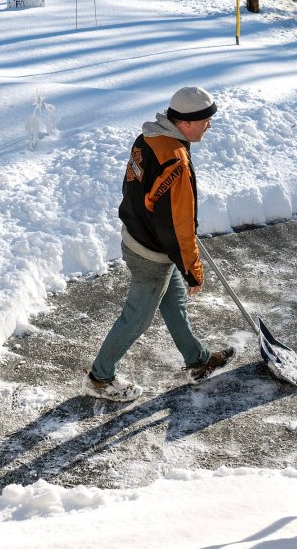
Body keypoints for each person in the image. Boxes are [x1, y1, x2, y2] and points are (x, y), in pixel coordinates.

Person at [84, 86, 235, 401]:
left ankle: (198, 361)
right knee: (136, 318)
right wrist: (192, 269)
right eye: (205, 120)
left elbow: (138, 191)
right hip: (151, 254)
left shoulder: (149, 138)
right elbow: (179, 226)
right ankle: (100, 377)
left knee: (174, 302)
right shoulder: (174, 160)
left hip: (139, 237)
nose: (209, 125)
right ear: (186, 122)